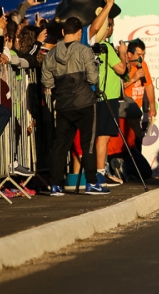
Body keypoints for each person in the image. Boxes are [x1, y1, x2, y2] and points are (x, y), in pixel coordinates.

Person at [41, 17, 109, 195]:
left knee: (60, 145)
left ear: (63, 32)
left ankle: (55, 185)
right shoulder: (84, 51)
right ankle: (91, 182)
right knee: (88, 144)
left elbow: (46, 80)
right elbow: (93, 79)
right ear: (79, 32)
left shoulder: (51, 54)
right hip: (84, 102)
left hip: (63, 104)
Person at [94, 17, 128, 186]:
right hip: (107, 97)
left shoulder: (96, 47)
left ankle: (102, 170)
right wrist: (122, 53)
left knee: (103, 136)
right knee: (103, 137)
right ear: (108, 28)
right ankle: (100, 173)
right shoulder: (106, 47)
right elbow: (122, 69)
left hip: (103, 96)